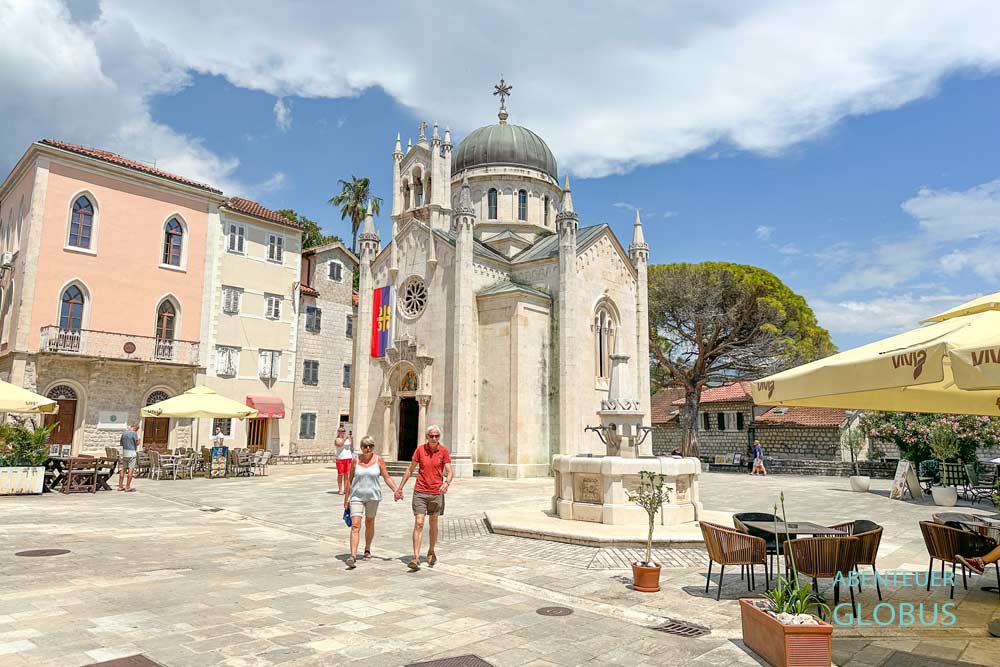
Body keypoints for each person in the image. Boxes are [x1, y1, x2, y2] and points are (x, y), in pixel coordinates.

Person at [395, 425, 453, 571]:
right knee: (419, 522)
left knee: (433, 523)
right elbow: (410, 469)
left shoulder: (444, 451)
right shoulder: (420, 450)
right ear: (427, 436)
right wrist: (400, 488)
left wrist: (446, 483)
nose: (434, 438)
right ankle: (415, 557)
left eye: (437, 436)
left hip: (436, 493)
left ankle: (431, 551)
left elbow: (449, 471)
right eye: (432, 436)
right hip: (420, 491)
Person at [343, 436, 400, 569]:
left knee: (369, 522)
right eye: (364, 446)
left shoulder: (378, 460)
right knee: (355, 525)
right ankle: (352, 556)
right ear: (361, 447)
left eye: (370, 446)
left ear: (373, 447)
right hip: (356, 496)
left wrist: (396, 490)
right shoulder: (355, 460)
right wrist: (346, 499)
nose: (367, 449)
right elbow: (349, 480)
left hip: (373, 497)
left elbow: (386, 477)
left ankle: (367, 548)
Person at [118, 423, 140, 492]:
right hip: (132, 453)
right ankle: (127, 487)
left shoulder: (124, 433)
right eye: (137, 429)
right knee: (131, 469)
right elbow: (136, 443)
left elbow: (121, 443)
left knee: (123, 469)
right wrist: (139, 441)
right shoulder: (134, 433)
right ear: (135, 428)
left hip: (125, 452)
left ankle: (120, 486)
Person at [335, 426, 352, 494]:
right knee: (340, 474)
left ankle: (345, 489)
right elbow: (340, 445)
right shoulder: (337, 439)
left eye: (343, 431)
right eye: (340, 431)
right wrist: (345, 438)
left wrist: (351, 439)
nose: (342, 432)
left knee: (346, 474)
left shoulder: (347, 439)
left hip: (348, 458)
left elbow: (351, 447)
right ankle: (340, 489)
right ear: (338, 432)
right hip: (340, 459)